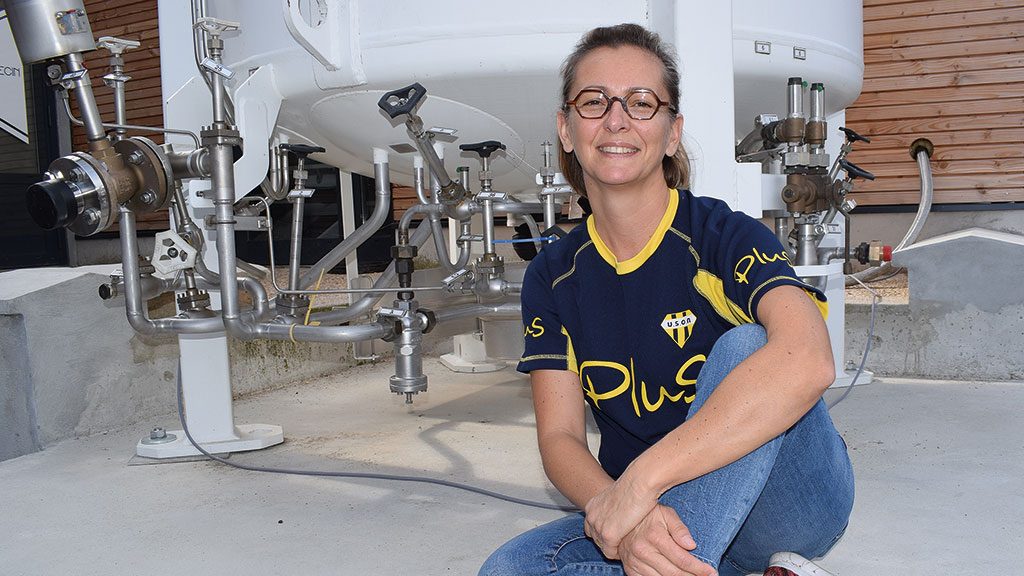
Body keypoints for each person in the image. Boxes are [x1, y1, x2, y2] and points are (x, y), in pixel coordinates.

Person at [479, 23, 854, 576]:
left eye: (641, 102)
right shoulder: (552, 276)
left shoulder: (723, 235)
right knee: (508, 569)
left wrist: (640, 484)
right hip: (655, 512)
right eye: (593, 101)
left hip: (784, 506)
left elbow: (810, 358)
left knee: (750, 348)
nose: (616, 118)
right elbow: (559, 438)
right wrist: (628, 520)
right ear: (565, 128)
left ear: (672, 131)